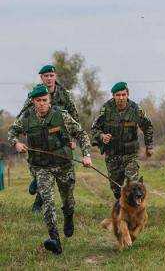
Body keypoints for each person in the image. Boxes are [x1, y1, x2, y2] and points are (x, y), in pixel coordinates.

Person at [8, 84, 92, 254]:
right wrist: (16, 143)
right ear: (33, 102)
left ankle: (68, 217)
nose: (41, 103)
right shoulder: (26, 117)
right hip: (42, 167)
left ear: (49, 100)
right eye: (38, 100)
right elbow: (12, 132)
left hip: (63, 165)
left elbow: (81, 134)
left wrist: (86, 154)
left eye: (44, 100)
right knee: (48, 202)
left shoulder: (61, 115)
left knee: (68, 201)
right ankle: (55, 241)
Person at [18, 64, 80, 213]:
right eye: (46, 76)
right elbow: (23, 113)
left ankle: (38, 204)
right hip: (39, 137)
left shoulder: (64, 94)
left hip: (59, 136)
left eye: (51, 75)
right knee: (41, 168)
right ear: (42, 78)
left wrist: (73, 139)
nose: (49, 78)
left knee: (56, 169)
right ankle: (36, 182)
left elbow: (74, 117)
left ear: (55, 76)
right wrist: (24, 130)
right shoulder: (36, 94)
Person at [91, 82, 153, 200]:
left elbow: (148, 126)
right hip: (112, 154)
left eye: (123, 95)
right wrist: (102, 136)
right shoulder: (106, 109)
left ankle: (135, 211)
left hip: (130, 153)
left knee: (133, 184)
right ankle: (121, 207)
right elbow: (94, 128)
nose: (121, 98)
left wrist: (149, 146)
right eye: (118, 95)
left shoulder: (135, 109)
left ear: (127, 95)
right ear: (113, 96)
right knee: (116, 189)